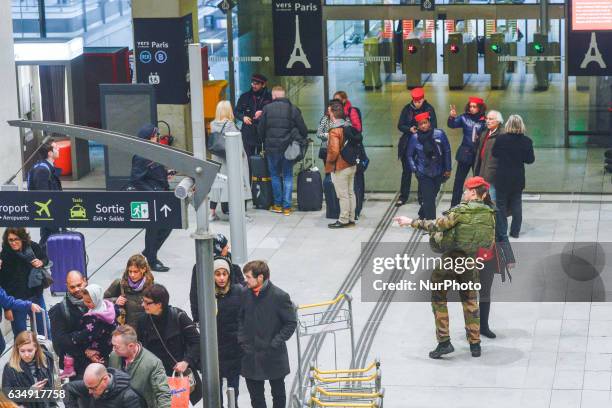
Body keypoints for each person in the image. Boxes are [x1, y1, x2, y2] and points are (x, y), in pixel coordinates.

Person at [394, 176, 496, 359]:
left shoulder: (460, 211)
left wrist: (410, 222)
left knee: (438, 296)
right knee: (470, 301)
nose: (464, 193)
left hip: (451, 261)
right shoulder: (490, 214)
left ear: (473, 193)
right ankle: (475, 345)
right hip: (472, 263)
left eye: (466, 191)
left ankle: (444, 342)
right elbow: (489, 242)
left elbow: (435, 226)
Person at [238, 260, 297, 408]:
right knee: (256, 398)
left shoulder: (280, 296)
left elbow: (290, 323)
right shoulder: (245, 293)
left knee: (278, 394)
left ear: (260, 277)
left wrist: (275, 342)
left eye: (248, 277)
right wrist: (242, 339)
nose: (246, 280)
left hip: (273, 355)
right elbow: (240, 318)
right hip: (250, 355)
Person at [136, 284, 202, 405]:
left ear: (159, 304)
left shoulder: (178, 316)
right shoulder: (142, 321)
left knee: (177, 405)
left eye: (147, 303)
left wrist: (186, 361)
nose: (143, 305)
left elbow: (197, 342)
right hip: (154, 376)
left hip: (176, 374)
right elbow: (139, 347)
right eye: (143, 301)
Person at [129, 124, 174, 272]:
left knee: (167, 225)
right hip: (152, 198)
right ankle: (152, 259)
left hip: (161, 195)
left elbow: (154, 172)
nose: (158, 138)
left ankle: (149, 253)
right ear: (149, 138)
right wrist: (154, 192)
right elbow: (136, 179)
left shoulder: (154, 152)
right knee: (153, 228)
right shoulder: (141, 156)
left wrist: (166, 174)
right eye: (156, 136)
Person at [257, 86, 308, 216]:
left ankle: (278, 205)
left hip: (272, 148)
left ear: (273, 96)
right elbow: (303, 129)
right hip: (288, 148)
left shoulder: (267, 109)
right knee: (288, 176)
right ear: (284, 95)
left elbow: (261, 129)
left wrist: (265, 140)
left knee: (274, 175)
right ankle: (287, 207)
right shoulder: (293, 109)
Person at [0, 228, 49, 339]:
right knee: (20, 336)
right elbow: (2, 284)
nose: (13, 243)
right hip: (16, 301)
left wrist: (41, 262)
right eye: (10, 240)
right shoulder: (5, 255)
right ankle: (22, 356)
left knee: (44, 331)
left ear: (22, 238)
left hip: (35, 296)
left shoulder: (33, 247)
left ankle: (45, 355)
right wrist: (7, 308)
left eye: (16, 239)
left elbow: (45, 258)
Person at [492, 114, 535, 239]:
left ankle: (502, 232)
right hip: (517, 178)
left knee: (500, 205)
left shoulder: (500, 139)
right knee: (517, 203)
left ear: (508, 125)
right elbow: (530, 160)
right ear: (521, 125)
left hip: (502, 177)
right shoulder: (526, 141)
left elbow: (495, 154)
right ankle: (515, 232)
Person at [209, 100, 252, 222]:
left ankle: (212, 213)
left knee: (217, 185)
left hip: (217, 159)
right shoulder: (230, 125)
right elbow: (237, 145)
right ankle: (241, 214)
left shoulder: (213, 125)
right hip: (231, 161)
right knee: (239, 183)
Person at [108, 325, 171, 408]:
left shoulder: (153, 363)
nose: (113, 349)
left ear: (131, 346)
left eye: (116, 347)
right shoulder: (114, 356)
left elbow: (163, 394)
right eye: (113, 345)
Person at [190, 233, 245, 324]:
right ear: (218, 248)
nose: (228, 247)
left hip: (232, 310)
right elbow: (195, 293)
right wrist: (197, 318)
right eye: (225, 246)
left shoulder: (230, 258)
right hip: (213, 312)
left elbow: (240, 280)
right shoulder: (201, 266)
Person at [396, 87, 438, 207]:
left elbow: (434, 126)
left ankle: (422, 196)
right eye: (415, 102)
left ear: (423, 99)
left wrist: (422, 130)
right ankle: (403, 196)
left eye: (419, 102)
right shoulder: (407, 109)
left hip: (423, 144)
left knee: (422, 172)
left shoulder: (429, 109)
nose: (417, 104)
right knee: (406, 172)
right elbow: (400, 125)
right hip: (408, 143)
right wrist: (409, 129)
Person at [406, 112, 451, 220]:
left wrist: (448, 168)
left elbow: (447, 151)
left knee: (431, 196)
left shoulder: (439, 134)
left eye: (425, 123)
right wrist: (415, 169)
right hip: (423, 172)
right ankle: (431, 224)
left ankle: (422, 212)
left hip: (438, 171)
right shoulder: (414, 137)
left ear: (429, 122)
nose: (423, 126)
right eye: (420, 124)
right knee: (429, 199)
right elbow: (409, 155)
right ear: (418, 125)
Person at [213, 258, 244, 408]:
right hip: (216, 349)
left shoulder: (238, 291)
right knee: (215, 389)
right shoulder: (208, 295)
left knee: (234, 388)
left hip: (233, 348)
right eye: (217, 274)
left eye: (224, 274)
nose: (221, 278)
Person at [447, 96, 487, 207]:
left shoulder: (485, 121)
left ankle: (479, 206)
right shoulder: (464, 118)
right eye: (470, 106)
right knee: (458, 182)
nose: (472, 108)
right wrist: (451, 117)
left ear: (480, 108)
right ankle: (453, 207)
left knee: (479, 183)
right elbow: (452, 125)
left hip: (478, 155)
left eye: (474, 106)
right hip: (465, 153)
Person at [2, 331, 58, 408]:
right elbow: (6, 397)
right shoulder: (10, 368)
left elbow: (51, 387)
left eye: (30, 350)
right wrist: (29, 393)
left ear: (36, 347)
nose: (26, 355)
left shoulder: (47, 358)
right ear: (17, 349)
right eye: (22, 351)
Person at [49, 270, 88, 380]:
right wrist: (85, 349)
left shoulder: (95, 301)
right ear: (67, 286)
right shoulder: (60, 310)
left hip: (99, 360)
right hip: (77, 366)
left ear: (85, 281)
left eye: (79, 285)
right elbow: (59, 342)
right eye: (72, 287)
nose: (76, 289)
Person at [325, 102, 356, 229]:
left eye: (329, 111)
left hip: (341, 166)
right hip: (351, 164)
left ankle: (343, 220)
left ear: (333, 113)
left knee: (342, 195)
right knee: (350, 193)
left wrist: (329, 161)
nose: (328, 114)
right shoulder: (348, 125)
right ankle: (351, 218)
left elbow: (334, 151)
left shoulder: (334, 130)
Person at [71, 284, 117, 366]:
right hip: (107, 347)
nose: (86, 304)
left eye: (89, 301)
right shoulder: (107, 308)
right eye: (84, 300)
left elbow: (87, 334)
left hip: (96, 350)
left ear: (97, 299)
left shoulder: (94, 319)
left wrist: (74, 336)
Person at [26, 141, 62, 247]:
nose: (59, 149)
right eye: (56, 148)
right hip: (48, 214)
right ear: (50, 153)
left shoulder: (47, 166)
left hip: (51, 212)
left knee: (49, 238)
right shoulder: (42, 169)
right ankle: (44, 260)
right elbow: (43, 196)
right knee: (48, 239)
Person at [104, 254, 154, 328]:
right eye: (130, 271)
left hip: (145, 332)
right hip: (125, 332)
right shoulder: (119, 284)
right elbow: (102, 302)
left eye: (135, 271)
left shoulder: (152, 287)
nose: (132, 275)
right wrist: (115, 301)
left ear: (144, 269)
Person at [63, 363, 145, 408]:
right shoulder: (93, 384)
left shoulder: (129, 397)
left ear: (105, 380)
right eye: (88, 388)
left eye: (93, 388)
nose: (89, 392)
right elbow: (67, 388)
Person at [234, 73, 273, 158]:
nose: (254, 85)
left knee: (263, 159)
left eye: (257, 84)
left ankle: (261, 172)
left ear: (263, 84)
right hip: (248, 132)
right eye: (252, 83)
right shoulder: (245, 96)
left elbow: (275, 112)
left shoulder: (270, 97)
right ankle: (249, 172)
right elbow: (236, 111)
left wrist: (263, 112)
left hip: (264, 132)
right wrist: (243, 117)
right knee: (248, 159)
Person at [474, 110, 504, 202]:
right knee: (483, 200)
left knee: (493, 201)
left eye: (491, 119)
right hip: (482, 172)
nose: (487, 121)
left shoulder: (502, 135)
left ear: (498, 121)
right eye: (487, 118)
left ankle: (497, 216)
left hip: (493, 175)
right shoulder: (485, 133)